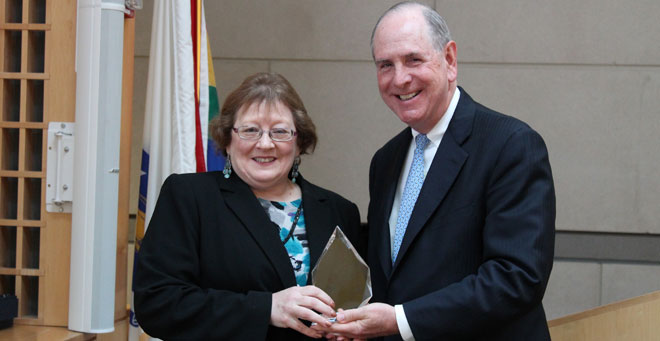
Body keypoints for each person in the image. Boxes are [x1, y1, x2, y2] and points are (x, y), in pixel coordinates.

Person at [318, 2, 555, 340]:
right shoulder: (385, 161)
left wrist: (400, 321)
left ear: (450, 60)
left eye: (414, 59)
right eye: (386, 65)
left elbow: (516, 279)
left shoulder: (511, 145)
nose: (400, 78)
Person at [133, 72, 364, 340]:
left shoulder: (339, 211)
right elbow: (157, 305)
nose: (265, 143)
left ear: (299, 143)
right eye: (250, 130)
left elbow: (351, 303)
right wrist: (266, 308)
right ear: (227, 140)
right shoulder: (189, 197)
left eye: (279, 131)